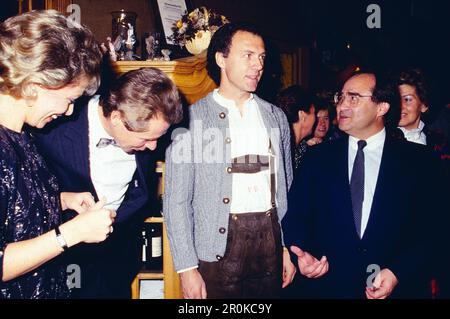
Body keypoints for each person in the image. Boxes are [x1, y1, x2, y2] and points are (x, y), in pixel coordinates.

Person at [282, 70, 448, 298]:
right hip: (329, 287)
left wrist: (398, 272)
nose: (341, 106)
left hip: (395, 289)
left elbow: (434, 228)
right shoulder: (317, 158)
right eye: (340, 98)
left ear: (382, 107)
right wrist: (303, 255)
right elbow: (296, 217)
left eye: (353, 98)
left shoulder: (419, 161)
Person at [164, 23, 296, 299]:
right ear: (221, 58)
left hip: (269, 241)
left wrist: (285, 247)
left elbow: (286, 189)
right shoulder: (190, 120)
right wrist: (186, 267)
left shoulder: (276, 117)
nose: (257, 65)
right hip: (216, 247)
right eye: (248, 55)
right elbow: (176, 201)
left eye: (261, 57)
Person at [34, 67, 183, 298]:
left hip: (118, 258)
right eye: (147, 139)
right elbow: (28, 198)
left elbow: (140, 194)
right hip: (64, 259)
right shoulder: (51, 127)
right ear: (117, 119)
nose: (154, 148)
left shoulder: (145, 124)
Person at [0, 10, 114, 299]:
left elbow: (11, 205)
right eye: (68, 99)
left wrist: (62, 200)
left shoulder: (22, 135)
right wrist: (71, 234)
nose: (68, 111)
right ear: (35, 85)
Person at [276, 85, 316, 174]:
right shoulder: (283, 150)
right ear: (302, 115)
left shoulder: (302, 147)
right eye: (314, 113)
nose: (315, 118)